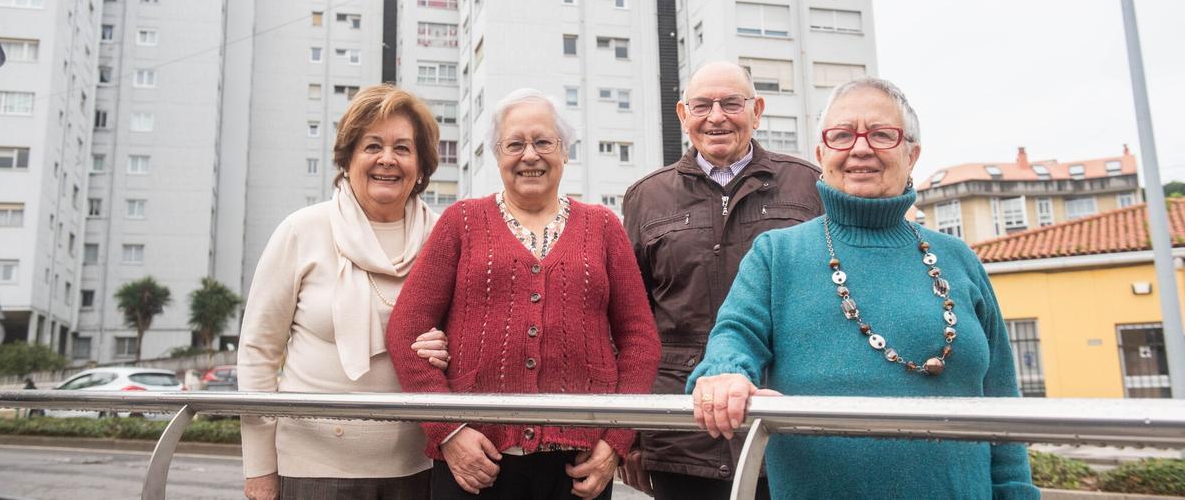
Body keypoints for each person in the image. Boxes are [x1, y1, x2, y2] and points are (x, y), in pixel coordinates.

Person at [688, 77, 1038, 499]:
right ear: (821, 155)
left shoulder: (959, 258)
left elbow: (1003, 404)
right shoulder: (777, 254)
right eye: (841, 135)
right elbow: (734, 335)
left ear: (912, 155)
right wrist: (725, 373)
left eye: (881, 134)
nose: (860, 148)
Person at [387, 88, 661, 500]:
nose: (529, 155)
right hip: (475, 462)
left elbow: (640, 339)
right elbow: (406, 329)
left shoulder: (603, 226)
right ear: (497, 155)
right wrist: (448, 430)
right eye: (514, 144)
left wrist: (616, 441)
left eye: (543, 142)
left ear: (564, 151)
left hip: (577, 466)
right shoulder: (461, 222)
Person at [238, 84, 452, 500]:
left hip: (420, 469)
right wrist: (259, 469)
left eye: (403, 148)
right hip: (312, 469)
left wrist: (449, 345)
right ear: (348, 158)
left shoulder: (445, 237)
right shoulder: (302, 231)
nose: (387, 159)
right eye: (372, 146)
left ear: (422, 164)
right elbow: (258, 352)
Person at [620, 61, 821, 499]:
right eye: (702, 105)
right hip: (681, 428)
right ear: (682, 114)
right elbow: (631, 322)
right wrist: (630, 433)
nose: (716, 117)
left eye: (731, 103)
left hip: (785, 418)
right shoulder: (646, 197)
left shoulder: (809, 186)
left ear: (757, 110)